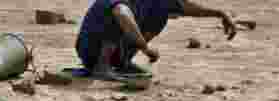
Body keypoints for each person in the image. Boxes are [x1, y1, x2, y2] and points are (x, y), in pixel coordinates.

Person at [76, 0, 237, 76]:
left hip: (115, 51)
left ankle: (122, 62)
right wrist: (145, 48)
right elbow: (121, 13)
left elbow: (184, 7)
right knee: (117, 15)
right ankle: (101, 66)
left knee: (161, 12)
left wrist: (219, 13)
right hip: (91, 50)